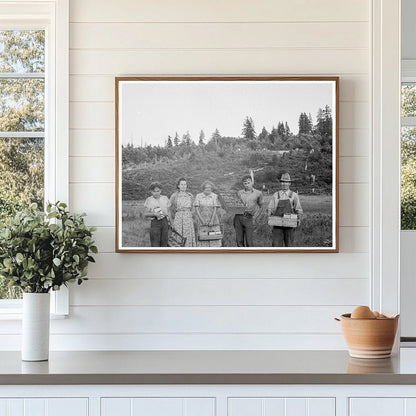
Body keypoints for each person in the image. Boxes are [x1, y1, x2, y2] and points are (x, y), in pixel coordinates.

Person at [267, 172, 303, 247]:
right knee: (276, 245)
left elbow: (298, 209)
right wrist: (268, 214)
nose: (284, 184)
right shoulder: (276, 195)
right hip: (277, 224)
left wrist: (299, 218)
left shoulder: (294, 195)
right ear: (280, 183)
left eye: (286, 182)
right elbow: (270, 208)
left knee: (289, 245)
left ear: (289, 183)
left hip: (290, 224)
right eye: (283, 182)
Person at [234, 175, 263, 247]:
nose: (247, 185)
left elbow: (261, 206)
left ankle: (250, 257)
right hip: (238, 217)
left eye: (248, 183)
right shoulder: (239, 193)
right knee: (239, 241)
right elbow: (235, 204)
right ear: (243, 184)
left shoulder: (258, 193)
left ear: (252, 182)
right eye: (245, 183)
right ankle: (241, 256)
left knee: (249, 241)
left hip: (249, 217)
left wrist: (255, 217)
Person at [194, 180, 222, 247]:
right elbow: (196, 209)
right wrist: (201, 220)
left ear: (211, 188)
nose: (208, 189)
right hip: (202, 220)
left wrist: (212, 220)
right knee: (203, 237)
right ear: (203, 188)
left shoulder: (215, 196)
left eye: (209, 187)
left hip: (213, 219)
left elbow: (215, 208)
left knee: (214, 236)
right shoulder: (198, 196)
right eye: (206, 187)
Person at [170, 178, 196, 247]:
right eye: (182, 184)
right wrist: (172, 220)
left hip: (188, 218)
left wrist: (191, 215)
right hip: (178, 218)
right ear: (178, 186)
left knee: (188, 236)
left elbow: (193, 207)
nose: (183, 186)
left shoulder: (190, 195)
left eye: (185, 184)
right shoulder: (174, 196)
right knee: (178, 235)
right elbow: (170, 208)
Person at [143, 182, 170, 247]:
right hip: (155, 222)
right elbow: (145, 214)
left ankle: (163, 256)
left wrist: (170, 222)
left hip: (165, 221)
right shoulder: (149, 200)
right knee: (155, 242)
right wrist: (154, 214)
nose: (156, 193)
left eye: (158, 191)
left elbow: (169, 212)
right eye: (154, 191)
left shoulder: (165, 198)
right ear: (151, 191)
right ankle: (155, 256)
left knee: (164, 241)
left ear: (161, 191)